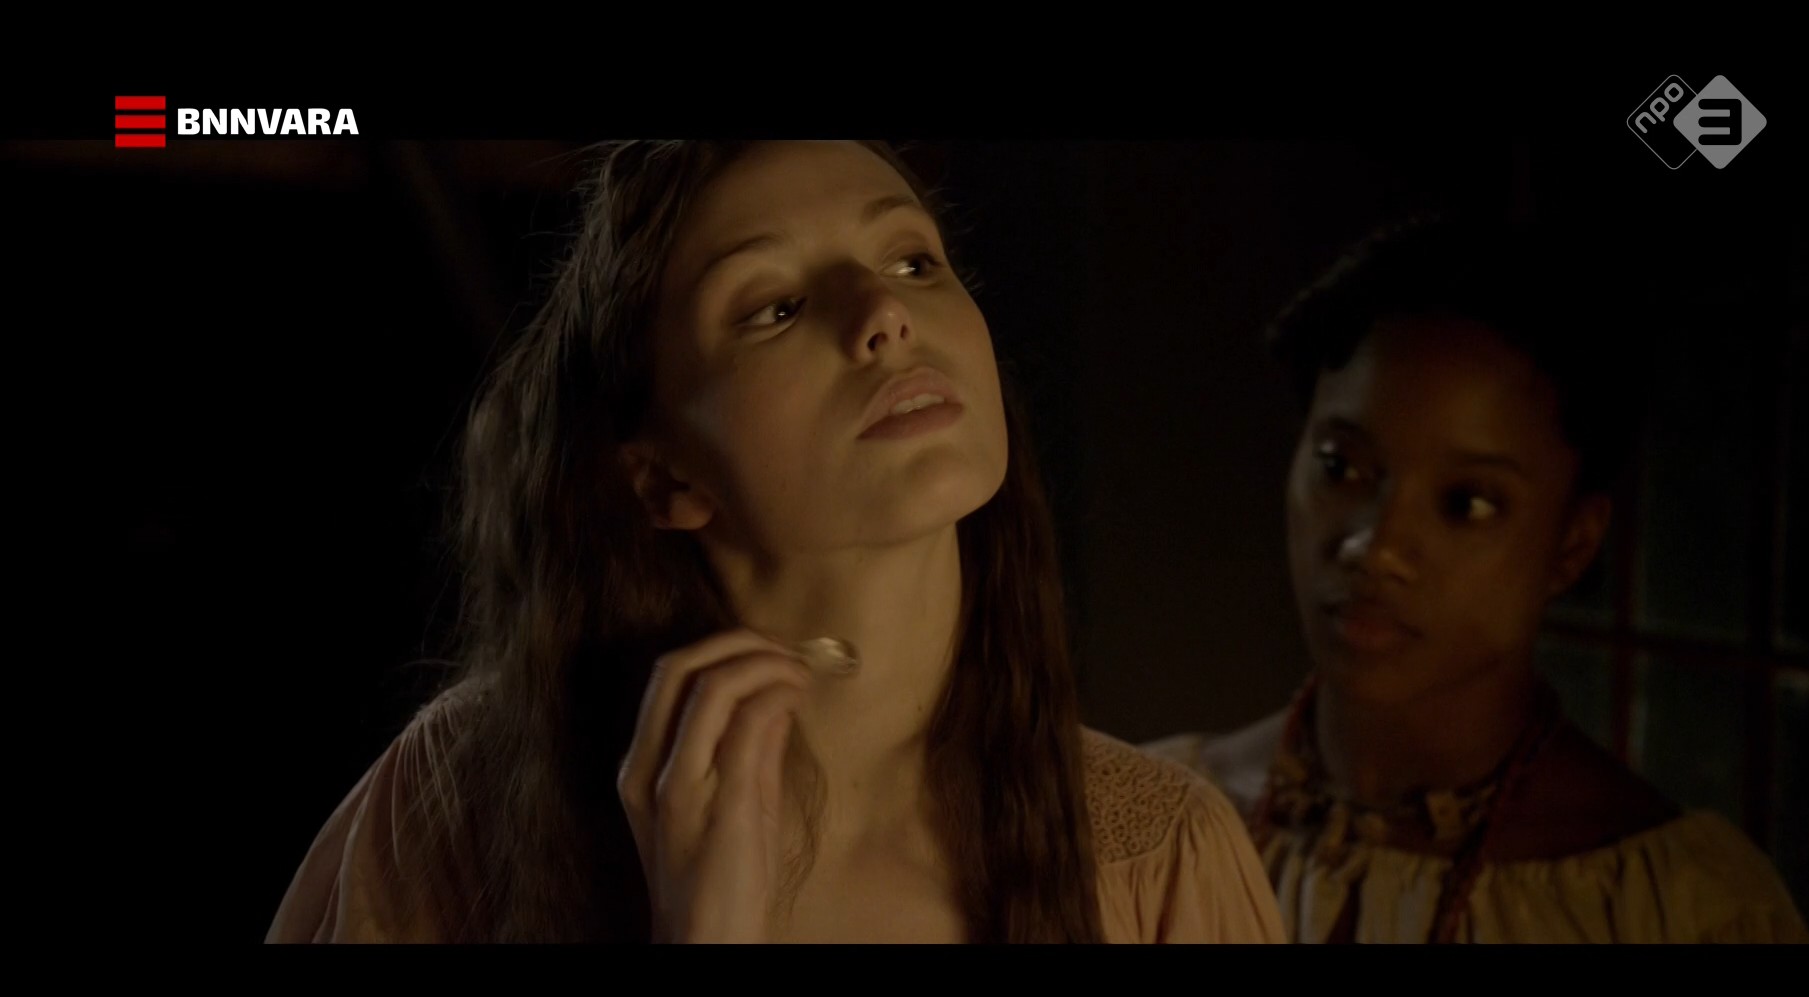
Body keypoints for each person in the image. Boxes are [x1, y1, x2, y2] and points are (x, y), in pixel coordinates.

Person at [267, 140, 1285, 944]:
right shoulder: (472, 800)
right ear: (663, 477)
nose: (884, 314)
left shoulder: (1164, 854)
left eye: (913, 260)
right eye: (777, 307)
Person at [1147, 217, 1809, 943]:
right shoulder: (1140, 827)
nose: (1375, 548)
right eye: (1341, 468)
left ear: (1572, 543)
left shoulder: (1672, 909)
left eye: (1467, 503)